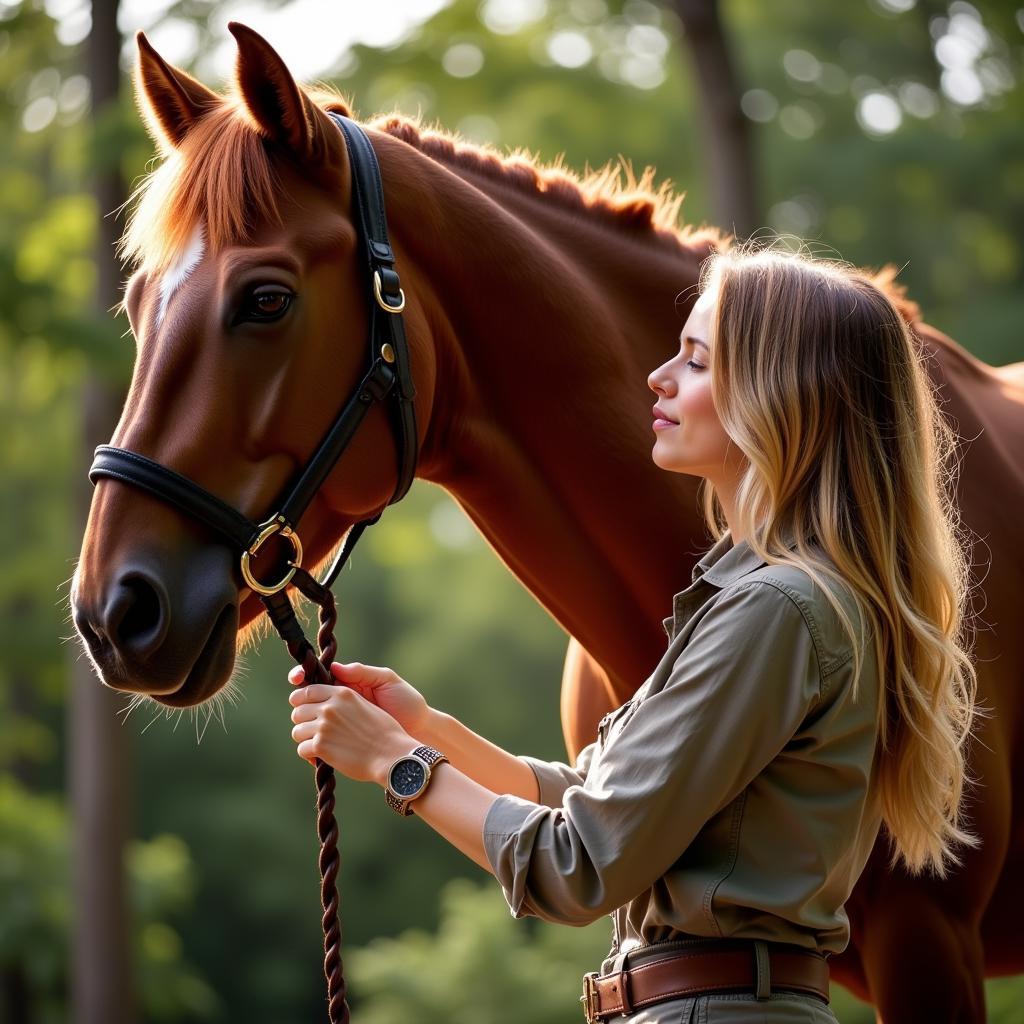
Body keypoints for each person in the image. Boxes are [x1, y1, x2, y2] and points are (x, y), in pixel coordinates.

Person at [286, 242, 981, 1022]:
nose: (659, 376)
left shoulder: (777, 610)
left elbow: (576, 866)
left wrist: (395, 763)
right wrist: (423, 727)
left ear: (785, 392)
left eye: (696, 360)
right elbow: (600, 802)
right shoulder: (778, 598)